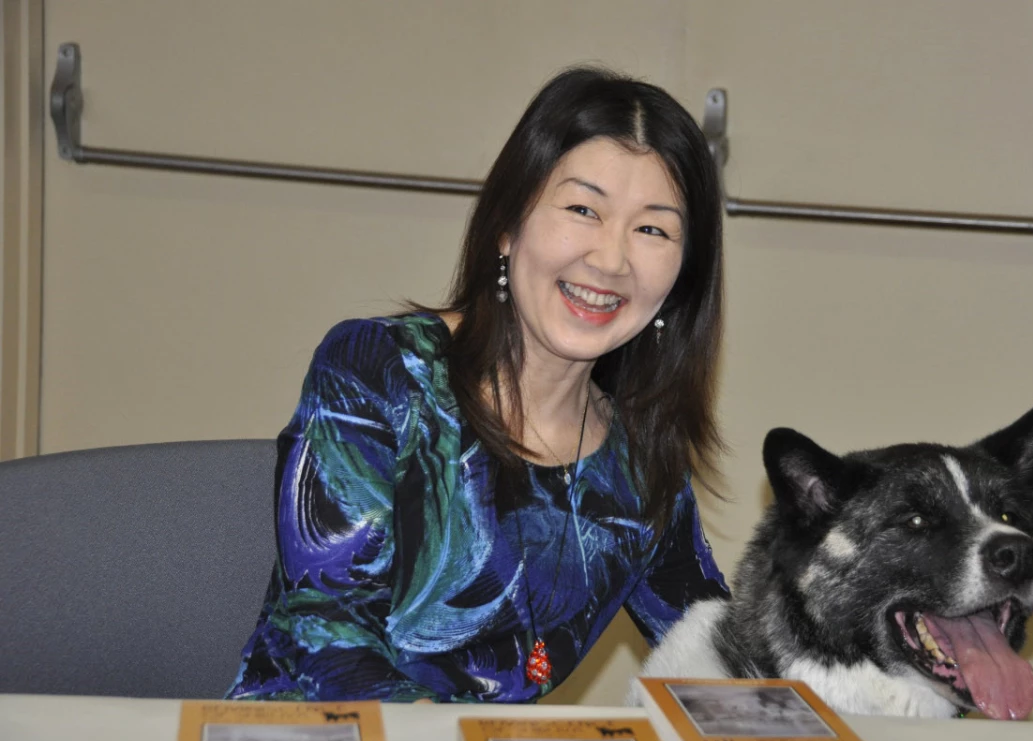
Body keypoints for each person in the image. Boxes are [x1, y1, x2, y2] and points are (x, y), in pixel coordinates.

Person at [226, 66, 730, 703]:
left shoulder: (638, 463)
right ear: (507, 225)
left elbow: (717, 651)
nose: (610, 259)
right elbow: (327, 629)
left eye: (652, 228)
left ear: (682, 276)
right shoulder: (381, 372)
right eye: (583, 209)